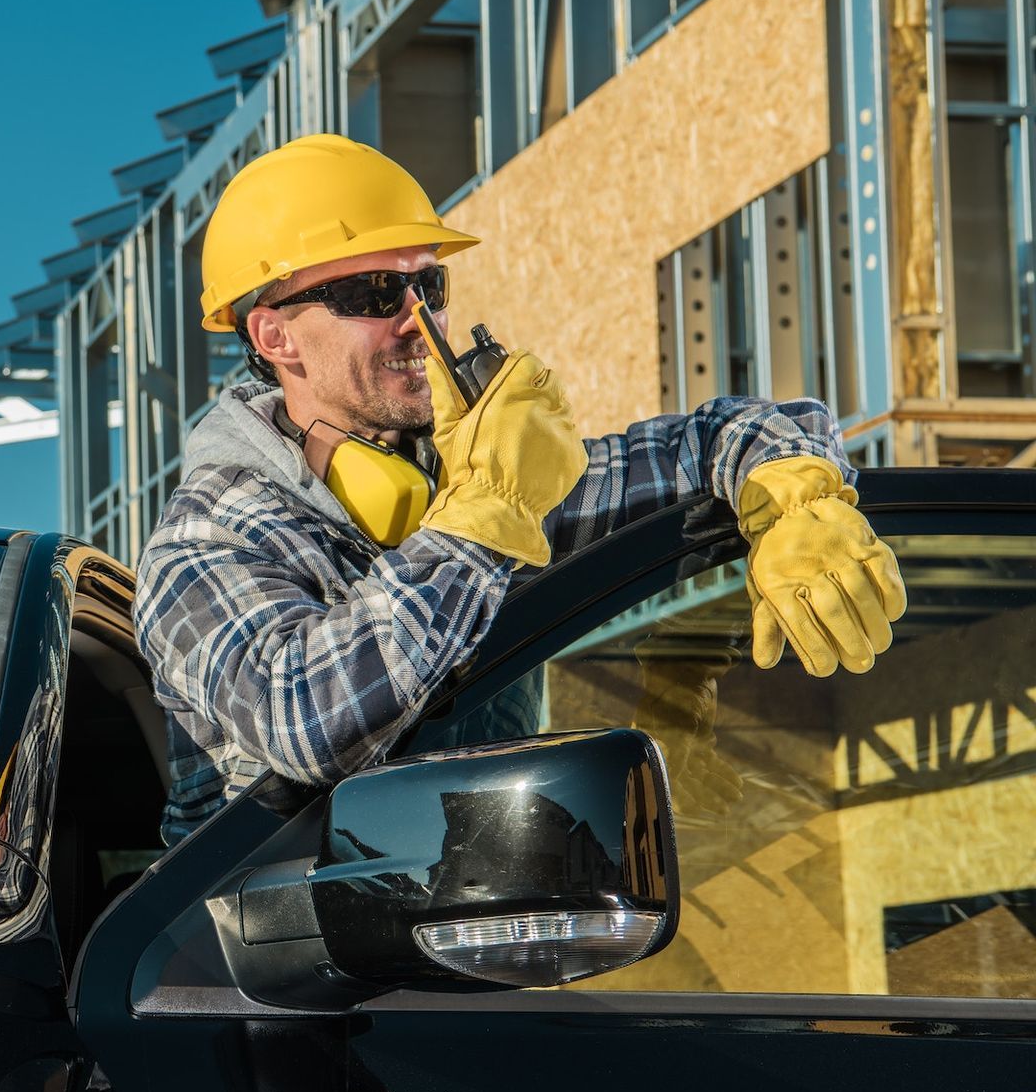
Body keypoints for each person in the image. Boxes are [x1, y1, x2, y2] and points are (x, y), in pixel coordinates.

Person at [134, 134, 907, 845]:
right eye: (374, 294)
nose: (418, 319)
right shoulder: (205, 541)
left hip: (485, 931)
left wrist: (798, 497)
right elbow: (305, 717)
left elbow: (719, 437)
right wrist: (480, 518)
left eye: (427, 285)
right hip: (266, 981)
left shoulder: (467, 471)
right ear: (275, 336)